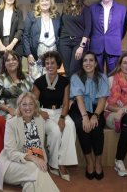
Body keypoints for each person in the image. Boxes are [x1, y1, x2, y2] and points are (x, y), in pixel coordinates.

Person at [0, 92, 60, 191]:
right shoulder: (11, 123)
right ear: (19, 106)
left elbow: (40, 146)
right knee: (37, 169)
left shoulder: (39, 120)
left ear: (35, 106)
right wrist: (33, 158)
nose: (27, 107)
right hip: (11, 166)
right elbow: (10, 153)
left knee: (31, 185)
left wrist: (40, 160)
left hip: (30, 167)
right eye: (24, 104)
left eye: (31, 104)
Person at [32, 51, 78, 181]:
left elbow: (65, 103)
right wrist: (39, 112)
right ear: (44, 65)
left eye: (53, 63)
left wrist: (63, 118)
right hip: (43, 113)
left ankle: (62, 163)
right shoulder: (39, 81)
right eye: (47, 63)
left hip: (60, 112)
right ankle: (53, 164)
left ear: (58, 64)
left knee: (70, 126)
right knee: (55, 131)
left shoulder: (65, 81)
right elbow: (32, 102)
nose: (50, 66)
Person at [69, 51, 109, 180]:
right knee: (82, 126)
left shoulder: (103, 77)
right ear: (82, 64)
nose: (88, 63)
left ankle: (98, 161)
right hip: (79, 109)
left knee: (97, 128)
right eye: (85, 60)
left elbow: (102, 100)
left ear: (96, 63)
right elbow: (79, 98)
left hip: (97, 109)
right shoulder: (76, 77)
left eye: (91, 60)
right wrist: (85, 117)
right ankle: (89, 161)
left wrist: (95, 115)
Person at [89, 0, 127, 74]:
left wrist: (115, 38)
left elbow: (123, 28)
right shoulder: (91, 8)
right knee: (97, 75)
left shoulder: (122, 9)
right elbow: (89, 28)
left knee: (113, 75)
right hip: (96, 46)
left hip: (114, 46)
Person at [23, 0, 60, 80]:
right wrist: (29, 54)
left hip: (53, 50)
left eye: (47, 0)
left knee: (51, 78)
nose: (45, 2)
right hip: (37, 52)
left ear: (51, 2)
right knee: (36, 80)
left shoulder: (56, 16)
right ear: (38, 3)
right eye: (42, 1)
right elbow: (25, 35)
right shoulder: (31, 15)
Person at [59, 0, 91, 77]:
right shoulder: (65, 8)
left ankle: (76, 91)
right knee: (68, 71)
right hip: (64, 43)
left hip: (79, 42)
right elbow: (62, 25)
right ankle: (69, 91)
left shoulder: (85, 9)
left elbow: (88, 28)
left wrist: (82, 46)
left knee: (74, 70)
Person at [0, 0, 24, 73]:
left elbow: (20, 29)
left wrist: (12, 45)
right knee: (1, 73)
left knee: (16, 73)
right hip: (0, 44)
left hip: (15, 44)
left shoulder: (19, 12)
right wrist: (0, 45)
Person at [0, 51, 33, 119]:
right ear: (4, 64)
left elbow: (32, 95)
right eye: (8, 60)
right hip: (8, 112)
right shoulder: (1, 79)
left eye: (14, 59)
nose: (11, 62)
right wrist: (9, 109)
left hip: (26, 110)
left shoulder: (26, 77)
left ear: (18, 62)